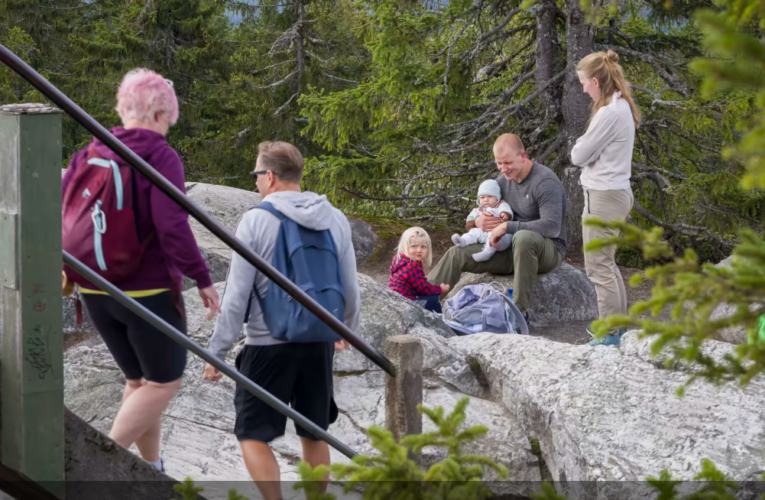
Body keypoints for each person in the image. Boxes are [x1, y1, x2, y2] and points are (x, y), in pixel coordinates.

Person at [62, 68, 220, 471]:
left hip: (96, 288)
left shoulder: (91, 151)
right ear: (159, 113)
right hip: (145, 292)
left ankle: (152, 468)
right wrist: (201, 277)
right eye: (168, 117)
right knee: (165, 382)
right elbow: (172, 224)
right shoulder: (158, 155)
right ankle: (94, 470)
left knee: (139, 382)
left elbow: (64, 212)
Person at [203, 141, 360, 500]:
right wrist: (343, 331)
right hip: (318, 341)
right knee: (314, 433)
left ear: (270, 177)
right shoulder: (335, 218)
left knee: (252, 434)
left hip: (268, 343)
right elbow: (350, 286)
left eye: (257, 175)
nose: (256, 182)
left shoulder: (256, 219)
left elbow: (236, 295)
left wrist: (217, 352)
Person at [428, 133, 567, 323]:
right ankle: (423, 303)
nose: (503, 169)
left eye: (508, 163)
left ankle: (518, 315)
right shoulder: (501, 182)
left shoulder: (545, 182)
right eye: (499, 164)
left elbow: (552, 227)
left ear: (523, 156)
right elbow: (481, 212)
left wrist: (506, 226)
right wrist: (476, 223)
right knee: (457, 253)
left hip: (547, 249)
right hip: (507, 248)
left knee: (523, 238)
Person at [571, 49, 641, 346]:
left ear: (597, 82)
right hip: (614, 193)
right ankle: (618, 328)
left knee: (598, 266)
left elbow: (578, 155)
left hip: (603, 197)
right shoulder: (620, 104)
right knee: (607, 264)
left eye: (585, 82)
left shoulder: (609, 112)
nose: (583, 88)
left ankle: (610, 335)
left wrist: (581, 144)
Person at [389, 227, 450, 313]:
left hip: (395, 298)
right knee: (433, 299)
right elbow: (423, 289)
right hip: (404, 303)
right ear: (404, 246)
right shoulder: (411, 266)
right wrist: (440, 289)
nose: (419, 250)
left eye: (423, 247)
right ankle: (439, 322)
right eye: (414, 246)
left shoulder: (401, 260)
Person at [451, 179, 514, 262]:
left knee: (494, 235)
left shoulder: (501, 205)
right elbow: (470, 219)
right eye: (482, 197)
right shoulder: (479, 209)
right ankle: (463, 241)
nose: (485, 200)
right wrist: (473, 223)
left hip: (500, 236)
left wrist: (505, 215)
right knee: (474, 232)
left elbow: (507, 211)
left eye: (489, 196)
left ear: (497, 197)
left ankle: (486, 253)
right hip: (483, 234)